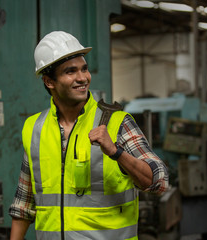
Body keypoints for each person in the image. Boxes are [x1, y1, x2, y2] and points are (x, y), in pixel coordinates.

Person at [9, 31, 168, 240]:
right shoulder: (35, 128)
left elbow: (159, 182)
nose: (82, 78)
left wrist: (116, 152)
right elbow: (24, 204)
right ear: (49, 81)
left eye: (84, 69)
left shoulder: (116, 122)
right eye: (70, 71)